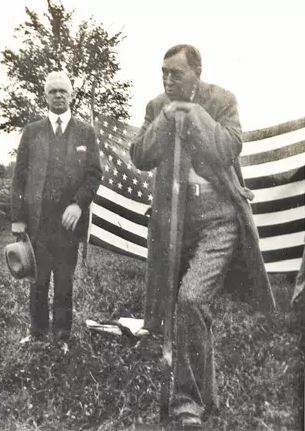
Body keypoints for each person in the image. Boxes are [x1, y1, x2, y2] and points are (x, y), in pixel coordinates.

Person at [130, 44, 276, 428]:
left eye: (175, 73)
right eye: (163, 72)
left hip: (219, 219)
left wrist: (193, 114)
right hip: (175, 221)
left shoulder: (222, 100)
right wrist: (166, 116)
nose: (167, 79)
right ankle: (205, 397)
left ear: (196, 72)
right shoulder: (156, 105)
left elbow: (227, 147)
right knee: (183, 308)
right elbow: (140, 156)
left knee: (192, 298)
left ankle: (186, 403)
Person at [11, 71, 102, 343]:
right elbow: (19, 177)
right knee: (37, 281)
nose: (58, 95)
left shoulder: (86, 132)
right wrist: (18, 219)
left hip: (68, 224)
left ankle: (62, 335)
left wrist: (78, 204)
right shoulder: (32, 131)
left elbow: (94, 175)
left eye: (63, 91)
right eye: (53, 91)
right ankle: (37, 333)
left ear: (72, 95)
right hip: (38, 221)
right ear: (46, 96)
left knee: (64, 281)